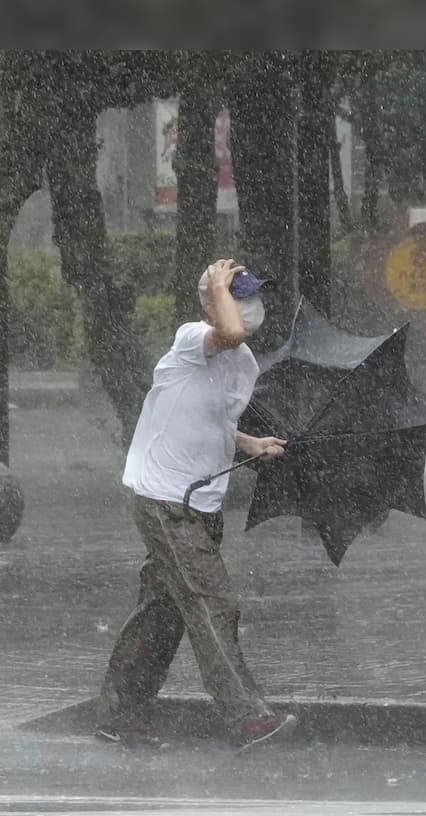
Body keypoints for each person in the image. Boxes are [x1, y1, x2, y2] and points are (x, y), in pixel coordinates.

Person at [95, 258, 296, 751]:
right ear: (209, 304)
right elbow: (226, 330)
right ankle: (247, 716)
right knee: (212, 603)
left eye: (252, 296)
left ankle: (119, 715)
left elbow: (212, 419)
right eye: (236, 295)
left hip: (200, 504)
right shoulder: (192, 339)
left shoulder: (241, 363)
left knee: (162, 613)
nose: (249, 307)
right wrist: (217, 288)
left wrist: (249, 444)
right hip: (166, 502)